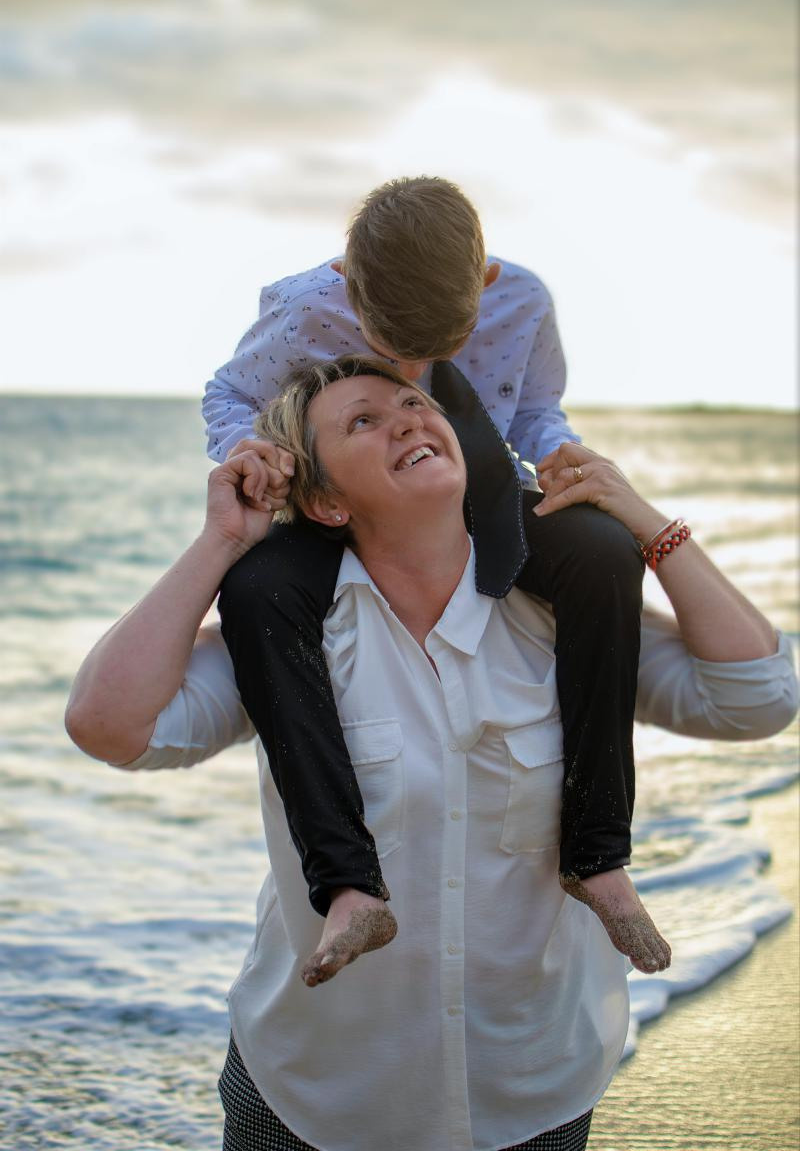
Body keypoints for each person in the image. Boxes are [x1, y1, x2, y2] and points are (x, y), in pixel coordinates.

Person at [66, 357, 798, 1151]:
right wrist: (220, 544)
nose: (408, 419)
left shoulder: (558, 624)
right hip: (311, 1095)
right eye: (363, 421)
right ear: (324, 499)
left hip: (529, 1090)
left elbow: (757, 698)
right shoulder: (292, 634)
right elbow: (108, 725)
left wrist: (652, 528)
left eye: (414, 403)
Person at [201, 175, 662, 978]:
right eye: (388, 346)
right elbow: (230, 393)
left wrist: (559, 451)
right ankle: (348, 886)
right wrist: (247, 449)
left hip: (471, 489)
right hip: (334, 500)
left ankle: (599, 855)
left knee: (603, 551)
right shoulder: (301, 305)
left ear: (483, 284)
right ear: (348, 276)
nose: (411, 370)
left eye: (432, 353)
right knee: (253, 591)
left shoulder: (522, 301)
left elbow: (534, 411)